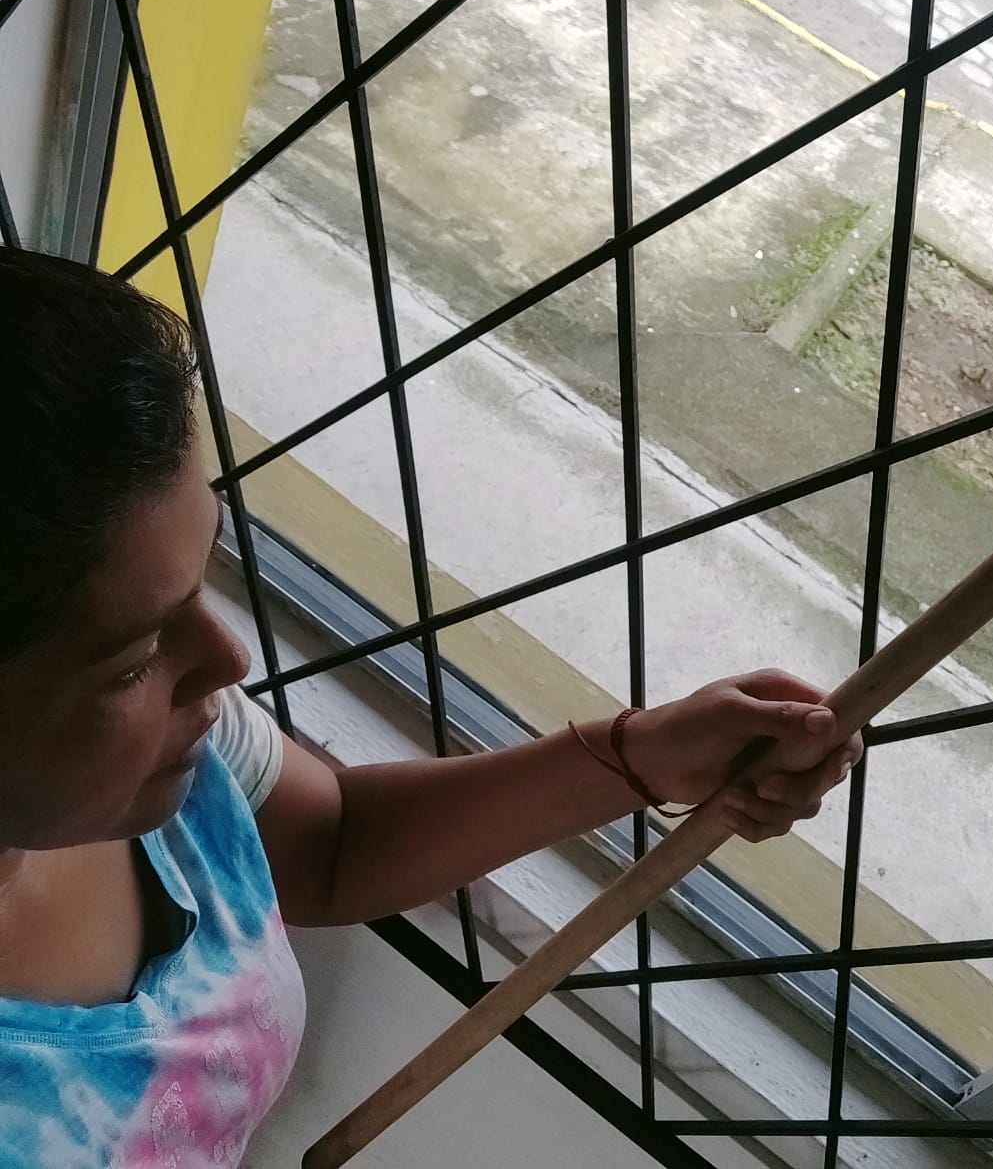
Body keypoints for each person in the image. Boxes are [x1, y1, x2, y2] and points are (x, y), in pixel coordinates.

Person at [0, 246, 862, 1167]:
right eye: (137, 657)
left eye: (204, 574)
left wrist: (640, 756)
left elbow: (333, 842)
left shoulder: (168, 759)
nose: (227, 658)